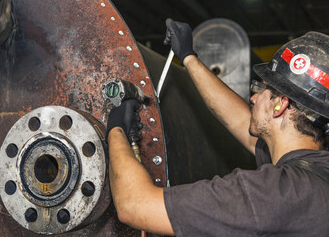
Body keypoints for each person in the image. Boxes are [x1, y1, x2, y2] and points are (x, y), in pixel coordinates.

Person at [105, 18, 329, 236]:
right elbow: (240, 121)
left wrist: (116, 130)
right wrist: (188, 57)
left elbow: (134, 205)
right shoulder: (314, 177)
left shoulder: (271, 194)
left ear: (280, 105)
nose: (253, 98)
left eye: (263, 89)